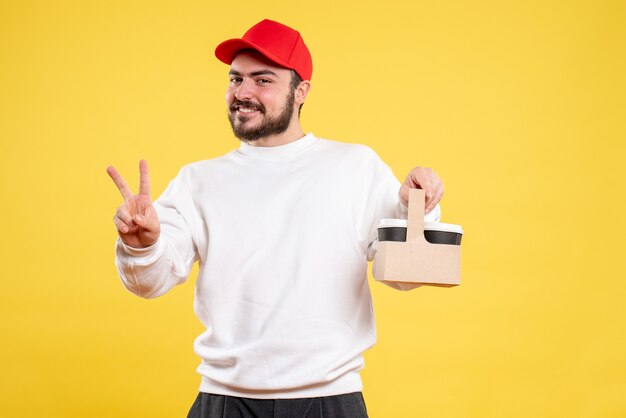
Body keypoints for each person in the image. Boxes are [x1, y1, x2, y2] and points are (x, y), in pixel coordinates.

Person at [107, 19, 444, 418]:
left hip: (329, 402)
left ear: (301, 91)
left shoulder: (356, 167)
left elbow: (404, 276)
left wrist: (415, 208)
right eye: (235, 79)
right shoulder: (197, 181)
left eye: (262, 80)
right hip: (223, 401)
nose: (242, 93)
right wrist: (141, 246)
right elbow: (149, 283)